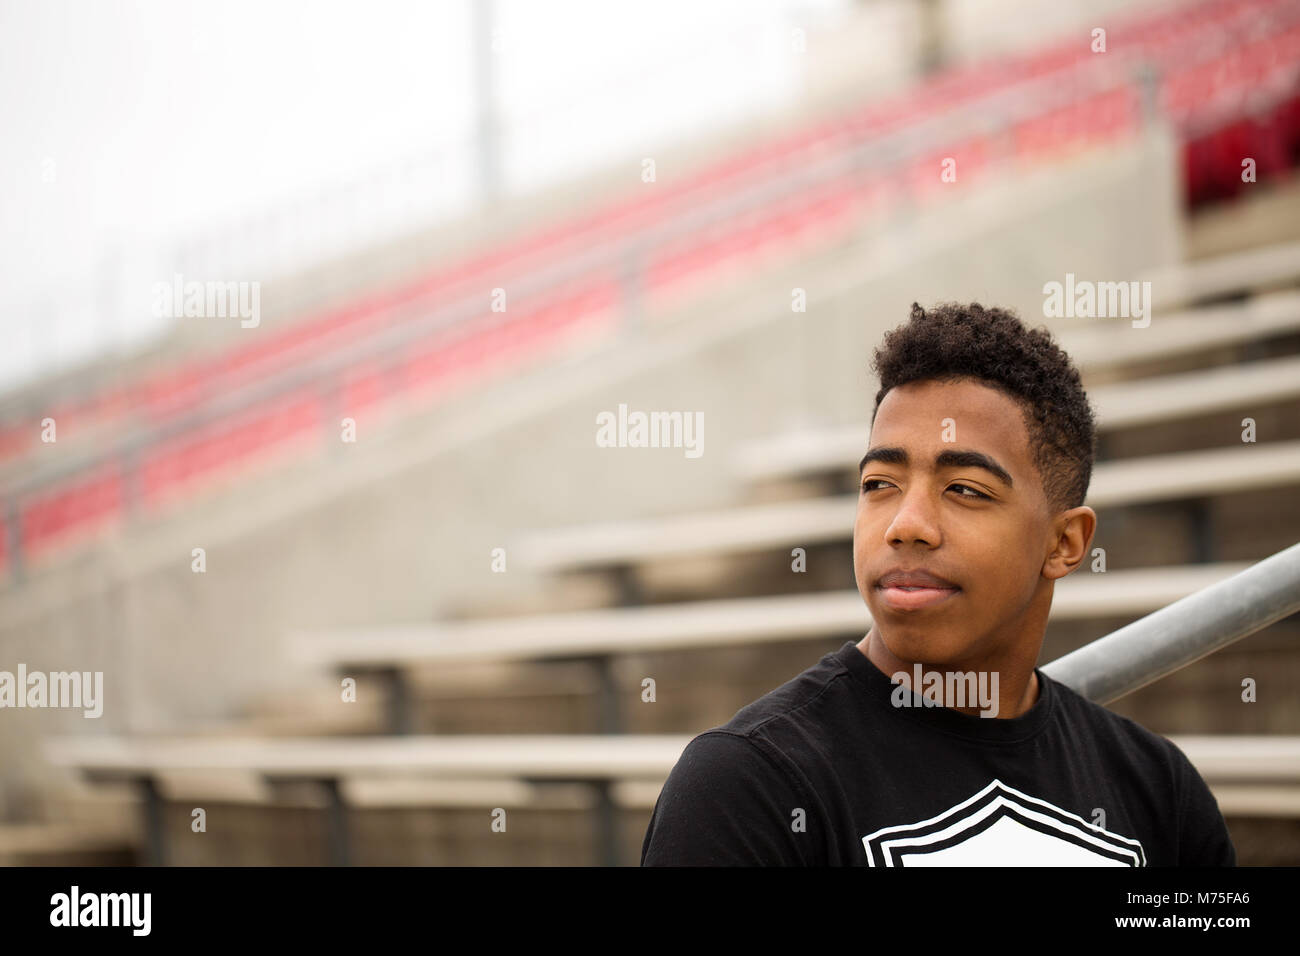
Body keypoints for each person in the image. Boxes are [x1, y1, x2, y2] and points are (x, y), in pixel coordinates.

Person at [640, 301, 1236, 866]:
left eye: (964, 490)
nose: (906, 525)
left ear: (1064, 543)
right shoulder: (748, 785)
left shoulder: (1162, 795)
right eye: (879, 484)